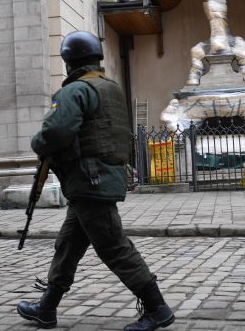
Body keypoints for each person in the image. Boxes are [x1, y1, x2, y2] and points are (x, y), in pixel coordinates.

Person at [16, 31, 174, 331]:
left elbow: (56, 133)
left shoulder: (74, 90)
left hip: (89, 182)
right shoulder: (110, 89)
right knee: (68, 245)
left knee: (114, 247)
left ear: (69, 61)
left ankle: (157, 308)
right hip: (99, 180)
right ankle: (47, 308)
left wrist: (38, 141)